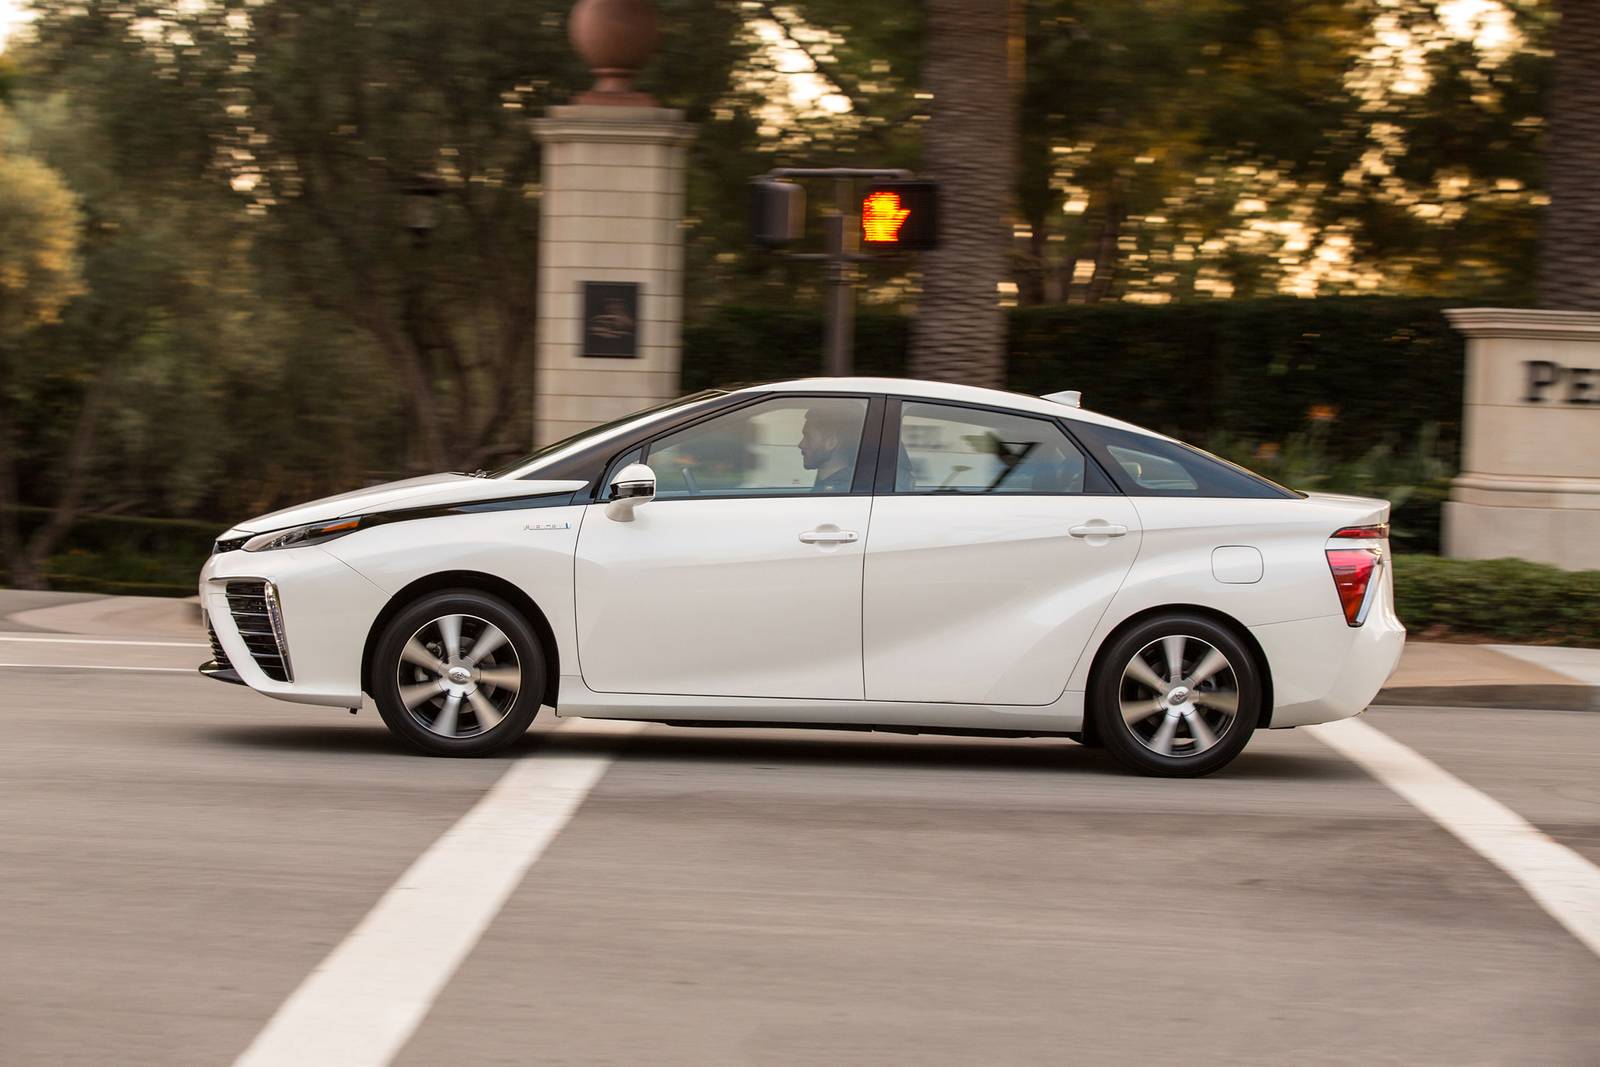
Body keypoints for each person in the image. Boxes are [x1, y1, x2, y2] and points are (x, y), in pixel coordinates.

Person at [797, 404, 859, 493]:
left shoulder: (838, 492)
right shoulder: (838, 485)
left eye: (808, 437)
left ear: (831, 443)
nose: (800, 444)